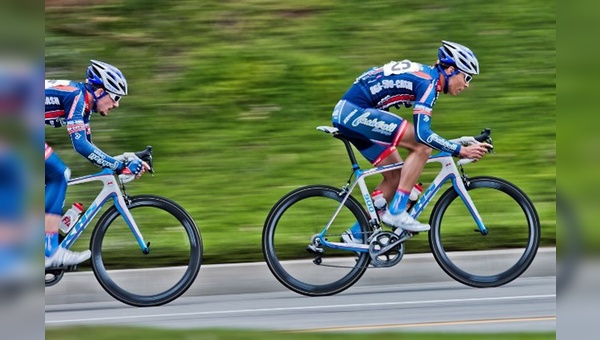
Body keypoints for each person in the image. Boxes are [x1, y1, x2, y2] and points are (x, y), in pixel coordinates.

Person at [332, 40, 492, 244]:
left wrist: (459, 142)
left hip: (349, 112)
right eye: (466, 77)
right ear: (451, 70)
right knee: (422, 146)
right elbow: (423, 135)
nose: (467, 84)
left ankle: (356, 234)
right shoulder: (429, 83)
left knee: (397, 176)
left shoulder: (427, 77)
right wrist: (460, 150)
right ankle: (397, 211)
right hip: (355, 112)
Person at [45, 60, 149, 268]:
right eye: (115, 97)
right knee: (59, 174)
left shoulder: (83, 105)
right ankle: (48, 252)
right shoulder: (75, 96)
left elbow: (91, 149)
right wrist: (119, 167)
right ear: (100, 91)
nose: (117, 104)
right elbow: (81, 146)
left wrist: (123, 159)